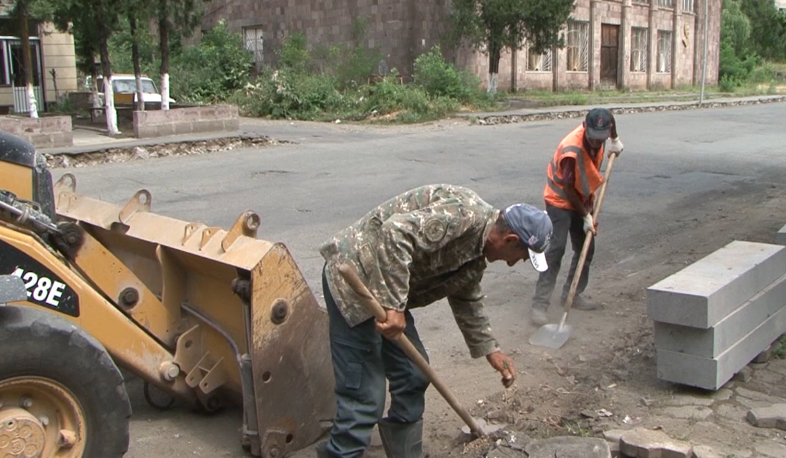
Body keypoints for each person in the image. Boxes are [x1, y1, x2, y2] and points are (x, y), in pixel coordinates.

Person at [318, 184, 553, 458]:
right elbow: (395, 232)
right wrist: (394, 305)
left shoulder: (477, 249)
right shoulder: (464, 216)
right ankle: (340, 453)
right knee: (365, 397)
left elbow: (466, 295)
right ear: (511, 239)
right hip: (355, 282)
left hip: (387, 288)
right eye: (522, 256)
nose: (515, 263)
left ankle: (404, 451)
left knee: (413, 374)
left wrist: (490, 349)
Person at [530, 108, 624, 326]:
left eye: (601, 138)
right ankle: (539, 305)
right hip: (560, 200)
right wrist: (585, 216)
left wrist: (615, 140)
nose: (596, 143)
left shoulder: (603, 131)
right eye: (593, 138)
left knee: (586, 248)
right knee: (556, 249)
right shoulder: (571, 150)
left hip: (581, 198)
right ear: (585, 127)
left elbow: (610, 117)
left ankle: (572, 294)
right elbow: (570, 189)